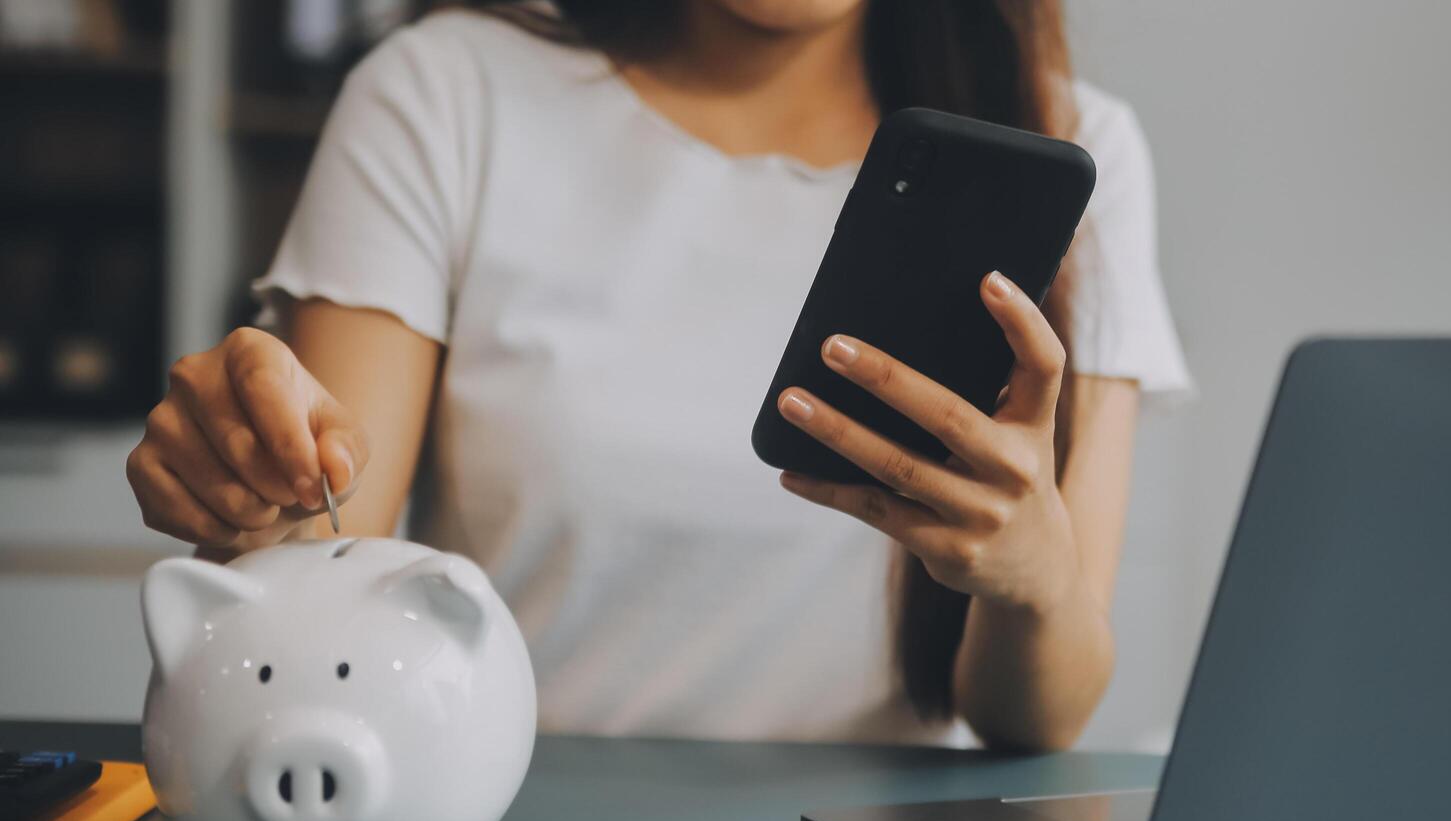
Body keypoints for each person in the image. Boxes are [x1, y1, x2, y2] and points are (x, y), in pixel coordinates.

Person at [123, 0, 1190, 750]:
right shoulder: (444, 91)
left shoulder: (1071, 144)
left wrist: (1033, 579)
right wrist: (250, 498)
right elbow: (322, 549)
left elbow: (1039, 719)